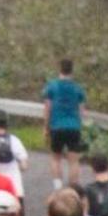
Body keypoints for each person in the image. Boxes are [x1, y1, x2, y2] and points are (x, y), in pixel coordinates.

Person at [41, 59, 87, 188]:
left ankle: (58, 187)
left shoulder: (52, 87)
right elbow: (82, 111)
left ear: (60, 69)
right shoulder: (78, 89)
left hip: (57, 127)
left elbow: (47, 108)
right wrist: (80, 126)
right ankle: (73, 188)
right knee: (74, 161)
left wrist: (46, 127)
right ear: (72, 70)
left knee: (56, 158)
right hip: (73, 127)